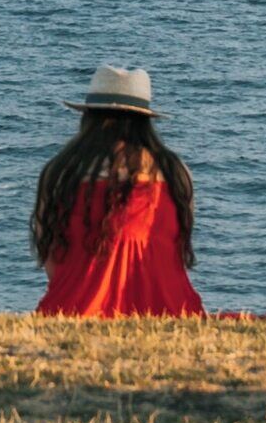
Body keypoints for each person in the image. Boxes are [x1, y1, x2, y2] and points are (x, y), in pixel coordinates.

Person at [31, 66, 205, 318]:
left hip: (76, 305)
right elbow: (178, 249)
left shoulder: (60, 172)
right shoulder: (174, 172)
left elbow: (49, 255)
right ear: (145, 121)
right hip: (168, 307)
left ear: (88, 117)